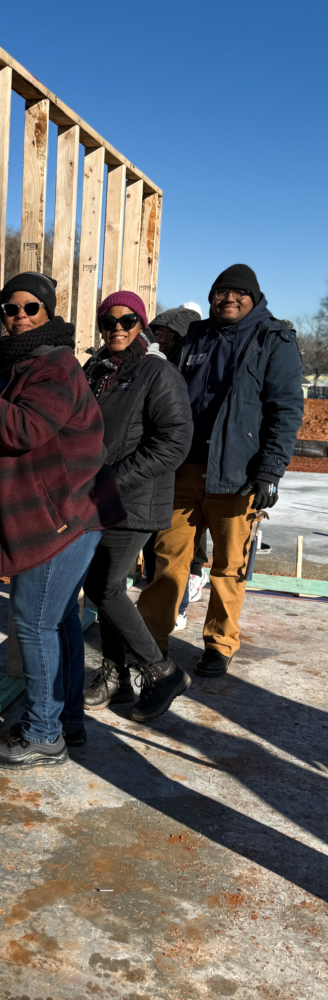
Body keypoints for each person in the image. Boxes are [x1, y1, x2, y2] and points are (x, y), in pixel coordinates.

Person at [0, 271, 125, 770]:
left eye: (30, 308)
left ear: (48, 313)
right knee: (57, 621)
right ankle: (65, 720)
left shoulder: (56, 365)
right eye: (10, 309)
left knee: (34, 624)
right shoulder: (23, 364)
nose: (19, 316)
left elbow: (25, 429)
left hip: (60, 516)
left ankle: (43, 735)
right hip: (65, 511)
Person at [137, 265, 303, 676]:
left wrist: (270, 472)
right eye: (220, 292)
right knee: (167, 560)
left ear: (254, 298)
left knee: (229, 567)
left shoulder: (273, 338)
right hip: (183, 469)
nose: (228, 298)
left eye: (238, 293)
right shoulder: (196, 336)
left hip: (237, 475)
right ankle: (149, 641)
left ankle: (219, 644)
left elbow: (285, 410)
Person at [80, 291, 193, 720]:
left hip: (134, 500)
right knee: (101, 588)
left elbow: (174, 442)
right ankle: (117, 677)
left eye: (127, 321)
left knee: (104, 588)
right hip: (98, 498)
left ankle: (163, 672)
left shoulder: (157, 372)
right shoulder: (97, 369)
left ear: (141, 325)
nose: (117, 328)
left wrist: (113, 478)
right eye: (108, 321)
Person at [142, 302, 208, 628]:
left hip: (181, 467)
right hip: (150, 467)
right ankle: (159, 599)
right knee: (154, 539)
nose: (163, 338)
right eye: (158, 331)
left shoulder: (189, 372)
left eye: (171, 335)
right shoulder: (149, 364)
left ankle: (177, 604)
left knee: (176, 544)